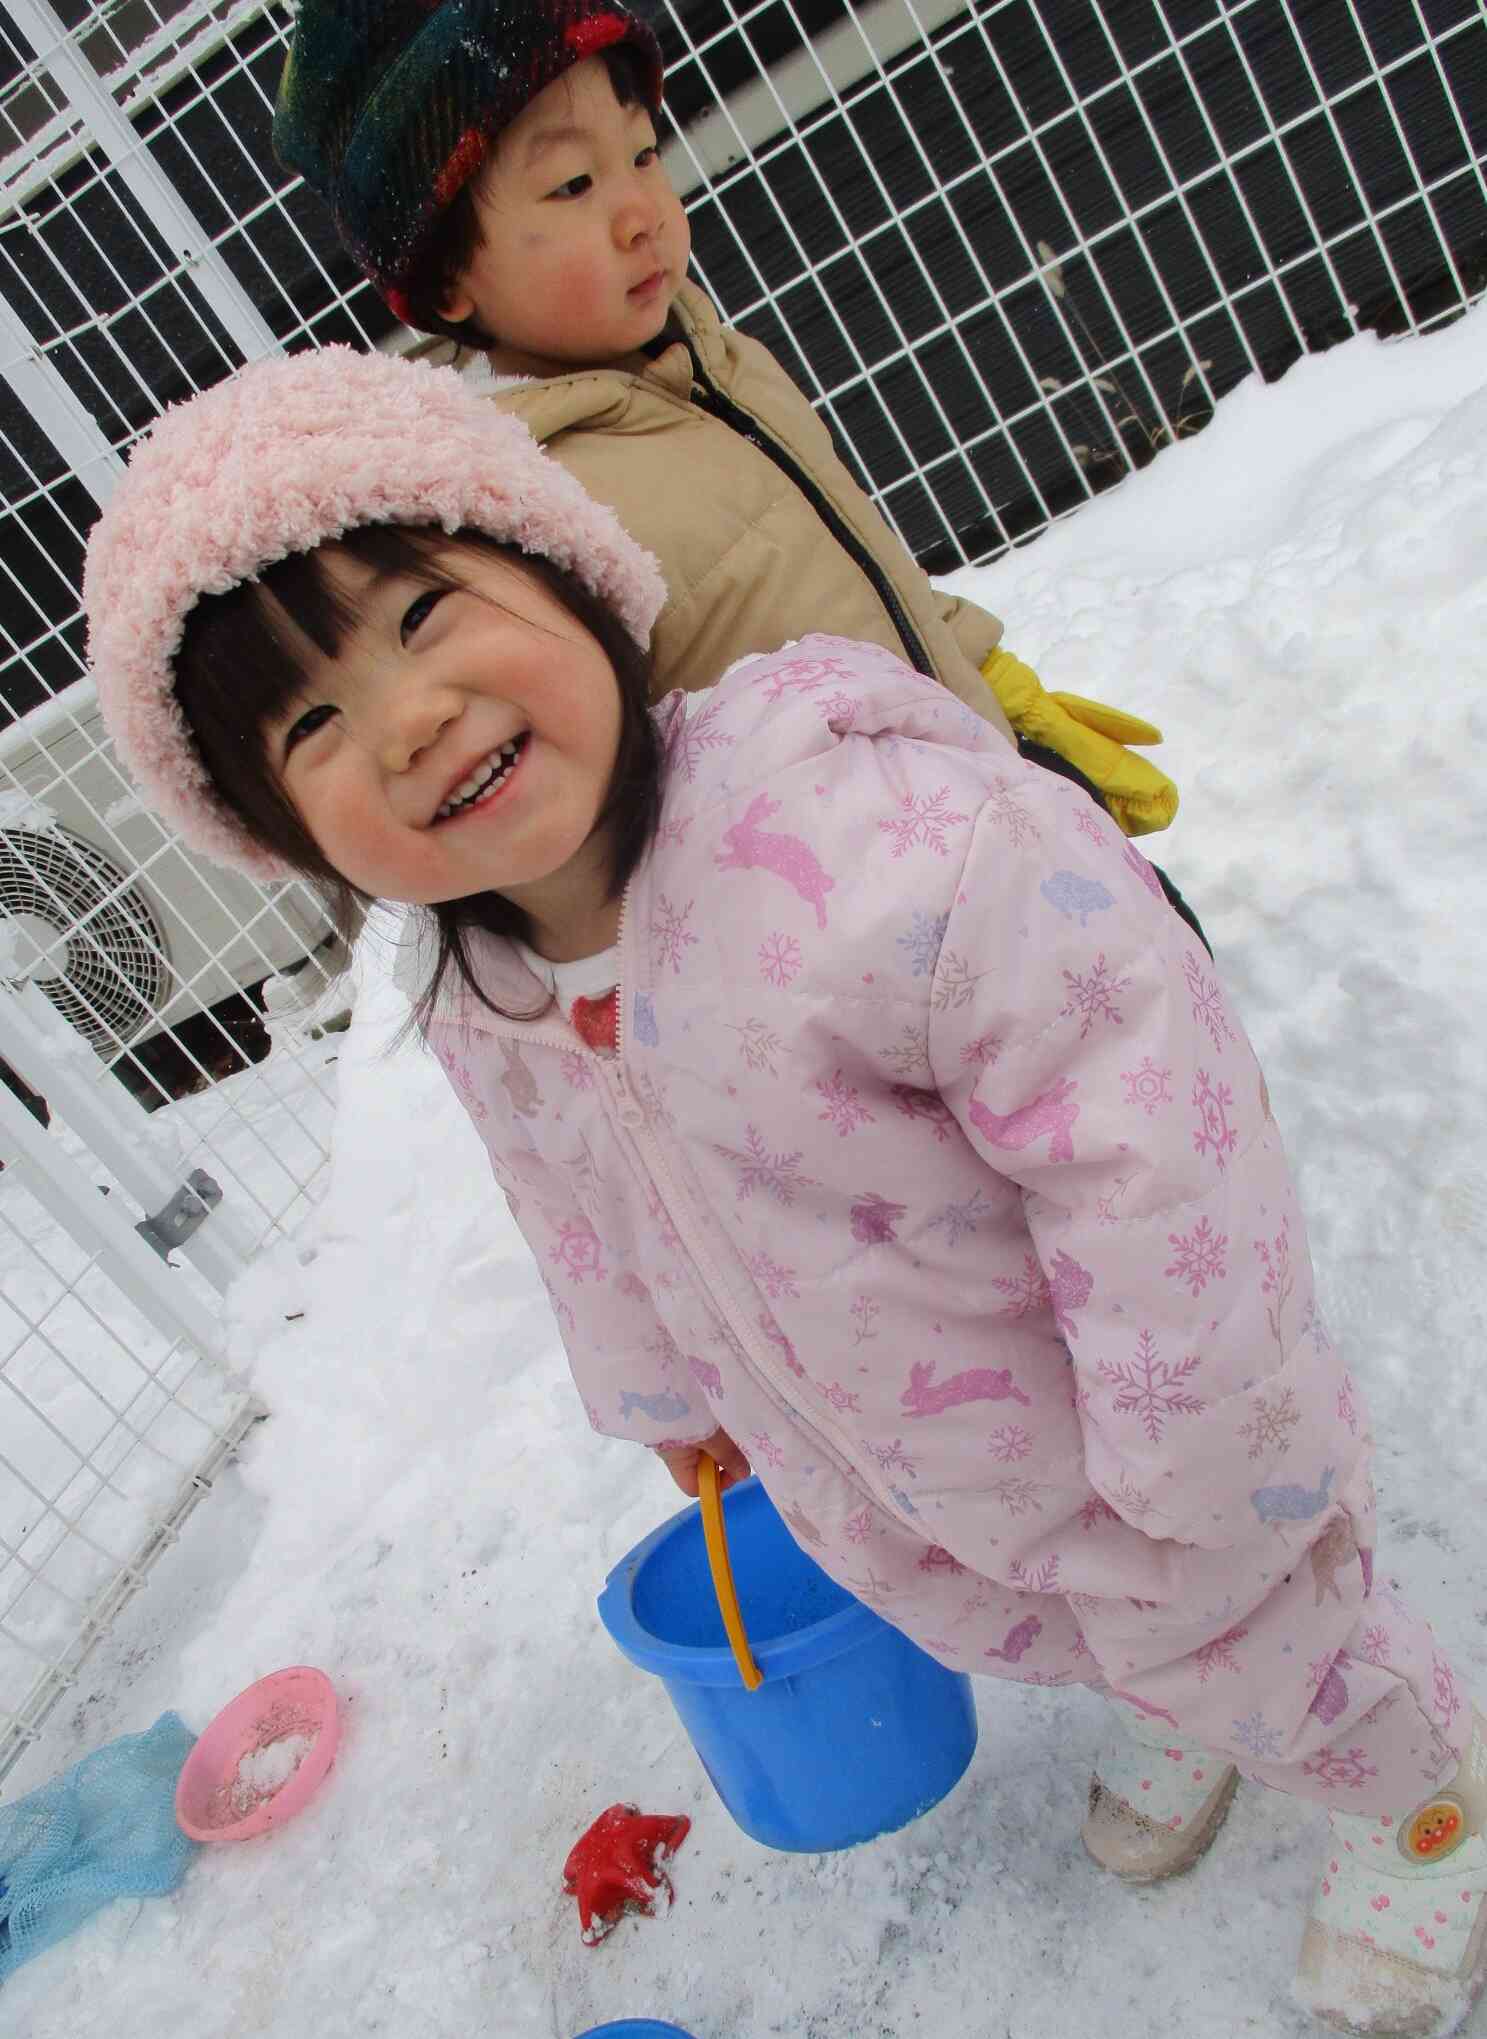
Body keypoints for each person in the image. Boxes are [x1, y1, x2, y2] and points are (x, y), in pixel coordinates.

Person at [82, 348, 1483, 2039]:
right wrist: (674, 1401)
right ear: (281, 833)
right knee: (1100, 1625)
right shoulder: (483, 993)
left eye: (422, 614)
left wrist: (1196, 1439)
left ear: (562, 567)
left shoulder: (865, 826)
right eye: (310, 724)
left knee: (1284, 1639)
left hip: (1157, 1418)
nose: (406, 714)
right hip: (917, 1464)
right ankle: (1189, 1695)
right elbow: (576, 1208)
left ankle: (1428, 1804)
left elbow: (1144, 1120)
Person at [270, 0, 1181, 842]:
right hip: (872, 913)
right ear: (447, 281)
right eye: (573, 184)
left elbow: (854, 553)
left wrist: (990, 689)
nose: (641, 215)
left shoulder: (717, 357)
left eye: (642, 154)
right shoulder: (529, 513)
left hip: (990, 800)